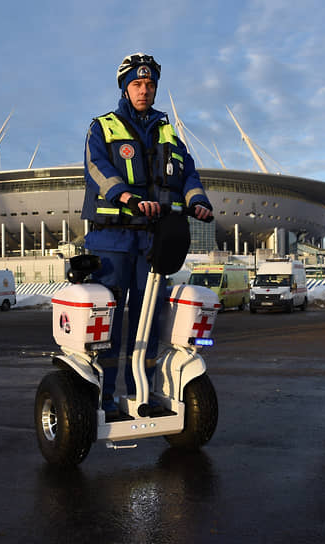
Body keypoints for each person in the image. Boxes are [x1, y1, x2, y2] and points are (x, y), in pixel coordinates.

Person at [82, 52, 213, 417]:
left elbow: (188, 173)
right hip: (112, 240)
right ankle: (105, 398)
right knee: (108, 321)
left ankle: (144, 393)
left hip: (152, 242)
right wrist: (125, 195)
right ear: (125, 88)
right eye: (137, 84)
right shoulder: (103, 127)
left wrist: (197, 201)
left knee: (149, 319)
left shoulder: (167, 131)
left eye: (150, 84)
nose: (144, 90)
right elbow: (96, 165)